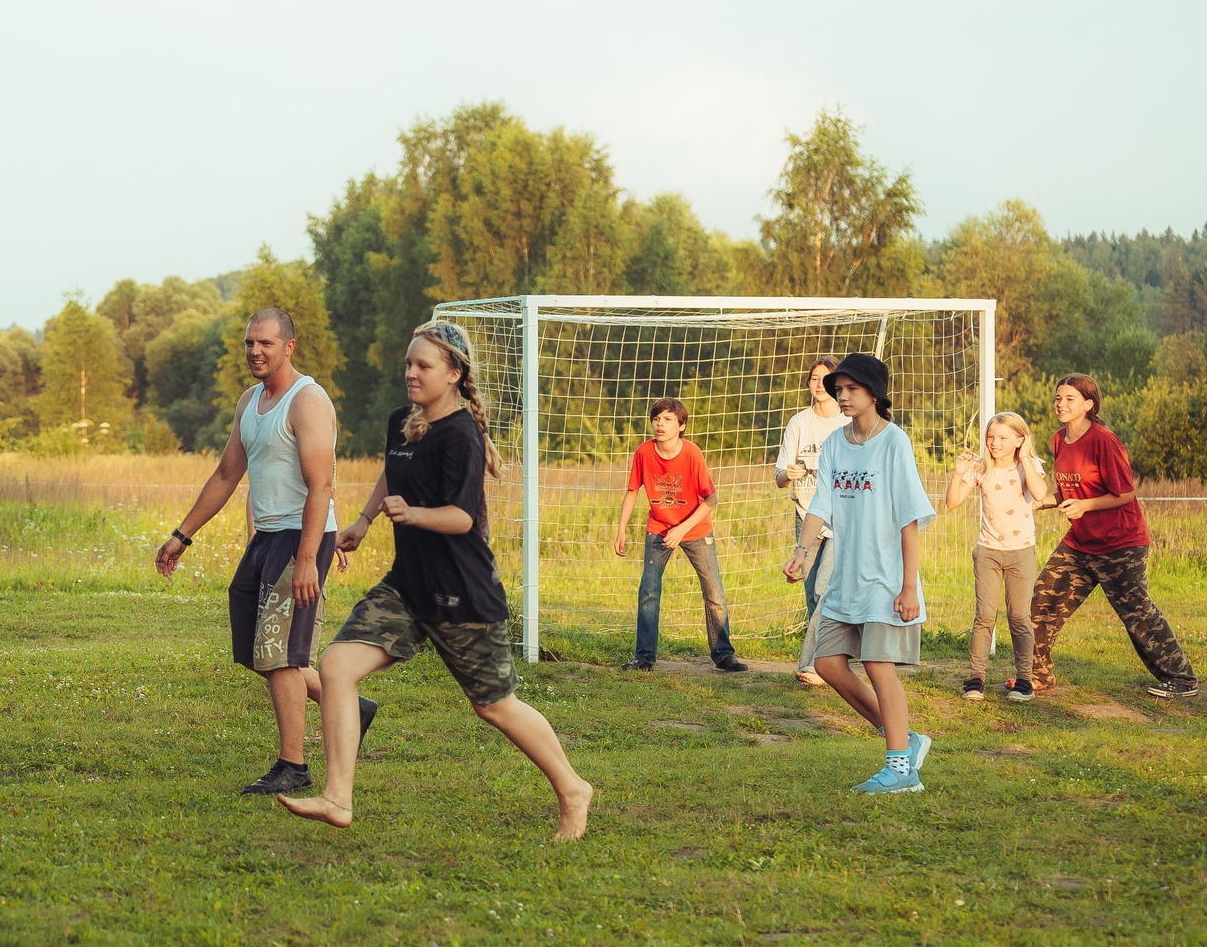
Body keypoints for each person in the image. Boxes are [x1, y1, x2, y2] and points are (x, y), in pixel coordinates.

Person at [278, 321, 594, 841]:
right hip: (407, 587)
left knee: (493, 705)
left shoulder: (462, 435)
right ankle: (338, 797)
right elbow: (393, 470)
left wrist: (414, 514)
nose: (411, 373)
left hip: (463, 592)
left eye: (423, 365)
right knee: (335, 666)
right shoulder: (403, 420)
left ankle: (573, 788)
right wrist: (364, 519)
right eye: (408, 364)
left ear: (453, 373)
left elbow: (461, 518)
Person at [153, 307, 363, 794]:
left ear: (289, 346)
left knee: (281, 656)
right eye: (249, 343)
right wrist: (182, 535)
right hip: (267, 536)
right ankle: (349, 706)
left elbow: (320, 484)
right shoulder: (250, 401)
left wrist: (309, 558)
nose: (255, 351)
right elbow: (227, 473)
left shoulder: (307, 401)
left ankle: (294, 765)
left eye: (266, 343)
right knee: (254, 646)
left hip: (301, 536)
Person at [784, 352, 935, 794]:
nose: (842, 396)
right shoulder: (834, 444)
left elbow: (909, 517)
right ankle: (906, 739)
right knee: (828, 664)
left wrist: (909, 586)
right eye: (838, 390)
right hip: (845, 579)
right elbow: (821, 504)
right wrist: (802, 551)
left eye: (850, 389)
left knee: (876, 664)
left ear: (874, 393)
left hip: (886, 580)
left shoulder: (894, 442)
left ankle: (901, 770)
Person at [1028, 375, 1199, 699]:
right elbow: (1068, 490)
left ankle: (1181, 679)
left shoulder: (1103, 440)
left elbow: (1124, 493)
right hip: (1080, 542)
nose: (1060, 404)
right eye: (1058, 398)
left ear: (1089, 405)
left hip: (1121, 543)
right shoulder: (1058, 439)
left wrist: (1085, 505)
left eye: (1069, 399)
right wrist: (1037, 502)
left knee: (1136, 613)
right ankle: (1038, 676)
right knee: (1042, 602)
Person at [613, 397, 746, 673]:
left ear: (681, 425)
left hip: (695, 529)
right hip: (659, 529)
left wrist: (682, 529)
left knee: (714, 593)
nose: (660, 424)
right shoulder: (643, 452)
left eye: (668, 419)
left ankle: (723, 655)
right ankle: (644, 659)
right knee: (648, 591)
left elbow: (711, 499)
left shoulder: (692, 453)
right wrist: (621, 529)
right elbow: (632, 491)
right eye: (657, 419)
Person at [942, 411, 1047, 702]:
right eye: (991, 437)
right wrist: (958, 473)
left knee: (1019, 617)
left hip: (1021, 553)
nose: (994, 443)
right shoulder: (980, 468)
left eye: (1002, 437)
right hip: (988, 552)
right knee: (985, 616)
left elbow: (1040, 494)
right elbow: (952, 502)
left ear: (1019, 440)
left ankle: (1024, 681)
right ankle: (976, 679)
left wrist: (1025, 456)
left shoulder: (1028, 466)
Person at [774, 356, 848, 684]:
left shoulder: (848, 423)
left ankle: (814, 664)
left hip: (842, 518)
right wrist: (786, 474)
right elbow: (779, 474)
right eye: (813, 378)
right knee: (811, 595)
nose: (818, 384)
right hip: (806, 515)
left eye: (825, 379)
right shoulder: (799, 423)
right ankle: (829, 658)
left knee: (824, 590)